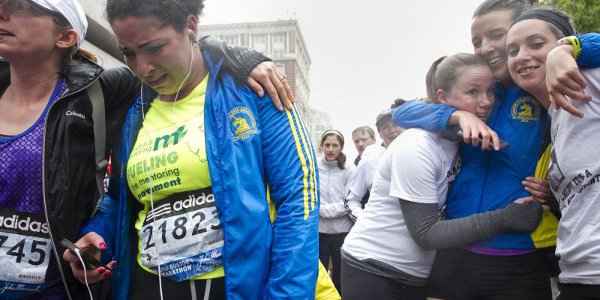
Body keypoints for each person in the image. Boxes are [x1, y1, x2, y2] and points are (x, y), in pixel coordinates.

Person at [65, 0, 319, 299]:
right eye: (128, 53)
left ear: (191, 26)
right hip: (148, 285)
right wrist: (98, 237)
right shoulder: (135, 109)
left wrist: (287, 295)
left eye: (155, 47)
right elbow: (121, 198)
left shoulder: (254, 90)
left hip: (236, 286)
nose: (142, 67)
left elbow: (299, 197)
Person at [391, 1, 600, 298]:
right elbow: (401, 112)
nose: (485, 47)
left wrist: (568, 48)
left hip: (520, 255)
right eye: (477, 41)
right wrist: (454, 116)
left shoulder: (546, 85)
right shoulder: (474, 94)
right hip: (457, 251)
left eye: (495, 35)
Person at [341, 53, 542, 300]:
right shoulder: (417, 146)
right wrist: (507, 218)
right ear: (441, 98)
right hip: (375, 270)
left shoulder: (458, 139)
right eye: (472, 92)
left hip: (412, 274)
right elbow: (427, 233)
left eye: (491, 92)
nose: (487, 101)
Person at [505, 7, 600, 299]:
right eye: (513, 50)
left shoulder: (590, 80)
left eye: (536, 44)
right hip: (576, 274)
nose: (521, 56)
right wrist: (552, 197)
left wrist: (568, 49)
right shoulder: (553, 119)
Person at [346, 99, 404, 218]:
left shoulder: (421, 153)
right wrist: (363, 219)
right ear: (379, 133)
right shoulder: (370, 160)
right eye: (385, 127)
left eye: (395, 124)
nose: (392, 130)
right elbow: (351, 201)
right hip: (380, 231)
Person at [318, 129, 354, 291]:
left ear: (341, 147)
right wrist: (319, 210)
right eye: (327, 145)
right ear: (322, 146)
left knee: (340, 274)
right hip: (319, 231)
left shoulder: (349, 169)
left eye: (335, 145)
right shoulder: (314, 167)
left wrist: (323, 211)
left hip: (342, 231)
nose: (331, 149)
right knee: (321, 273)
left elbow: (350, 200)